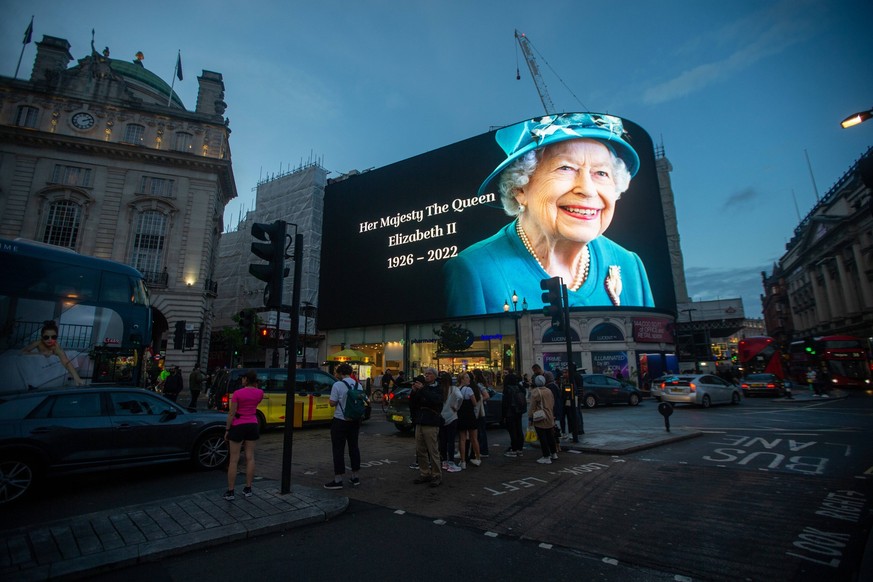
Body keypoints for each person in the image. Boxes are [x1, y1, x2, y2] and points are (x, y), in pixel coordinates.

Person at [444, 113, 654, 317]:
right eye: (566, 168)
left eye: (601, 173)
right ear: (520, 188)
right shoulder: (474, 271)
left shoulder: (630, 265)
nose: (588, 190)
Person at [224, 369, 264, 501]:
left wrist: (227, 429)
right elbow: (256, 403)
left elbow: (232, 413)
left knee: (234, 459)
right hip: (252, 423)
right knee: (250, 457)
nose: (241, 380)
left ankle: (230, 491)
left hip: (238, 424)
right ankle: (248, 488)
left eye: (243, 378)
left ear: (246, 379)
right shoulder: (260, 393)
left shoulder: (237, 393)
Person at [324, 363, 363, 489]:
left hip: (340, 420)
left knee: (338, 449)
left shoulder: (338, 385)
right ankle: (355, 476)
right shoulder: (358, 385)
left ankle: (338, 479)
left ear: (340, 373)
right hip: (355, 421)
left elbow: (332, 402)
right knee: (354, 447)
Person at [18, 320, 84, 387]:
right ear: (42, 336)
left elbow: (66, 362)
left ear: (56, 337)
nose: (50, 340)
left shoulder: (56, 347)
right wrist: (41, 353)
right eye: (46, 337)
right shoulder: (38, 342)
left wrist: (77, 378)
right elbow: (22, 352)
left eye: (53, 337)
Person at [410, 368, 444, 487]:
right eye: (426, 374)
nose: (427, 376)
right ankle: (424, 473)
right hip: (420, 420)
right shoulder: (422, 388)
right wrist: (414, 392)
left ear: (435, 376)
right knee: (420, 450)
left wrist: (422, 389)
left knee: (433, 450)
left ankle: (436, 474)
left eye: (429, 374)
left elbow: (436, 400)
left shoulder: (438, 388)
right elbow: (414, 404)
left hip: (431, 421)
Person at [529, 375, 558, 464]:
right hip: (549, 415)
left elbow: (532, 407)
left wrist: (530, 417)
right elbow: (552, 402)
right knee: (550, 435)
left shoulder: (535, 392)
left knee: (542, 437)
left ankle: (546, 456)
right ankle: (554, 453)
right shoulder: (549, 391)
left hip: (540, 417)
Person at [438, 371, 463, 472]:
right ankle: (451, 462)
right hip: (452, 417)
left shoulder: (440, 390)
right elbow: (460, 397)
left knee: (442, 441)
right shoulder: (454, 389)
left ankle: (444, 461)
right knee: (451, 441)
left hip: (441, 417)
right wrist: (456, 407)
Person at [456, 371, 481, 468]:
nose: (468, 379)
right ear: (462, 379)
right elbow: (474, 403)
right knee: (474, 438)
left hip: (461, 415)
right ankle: (478, 458)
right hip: (470, 415)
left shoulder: (457, 389)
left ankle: (463, 461)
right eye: (466, 377)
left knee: (462, 439)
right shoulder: (469, 390)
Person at [501, 373, 525, 456]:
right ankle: (519, 448)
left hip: (510, 412)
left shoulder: (507, 389)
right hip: (519, 411)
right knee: (519, 429)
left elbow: (505, 403)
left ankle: (514, 449)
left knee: (512, 431)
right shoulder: (519, 387)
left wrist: (503, 415)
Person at [473, 369, 491, 457]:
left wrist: (477, 401)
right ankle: (482, 449)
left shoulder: (479, 385)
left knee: (481, 430)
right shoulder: (481, 384)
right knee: (481, 430)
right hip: (483, 407)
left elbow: (487, 396)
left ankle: (483, 450)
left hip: (481, 408)